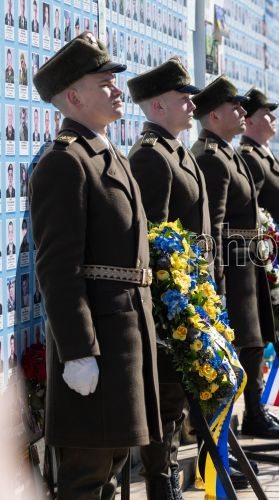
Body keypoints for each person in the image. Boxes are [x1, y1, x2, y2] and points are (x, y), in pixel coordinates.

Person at [30, 32, 162, 500]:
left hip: (127, 332)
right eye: (105, 83)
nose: (117, 90)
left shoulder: (109, 155)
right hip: (99, 340)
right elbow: (57, 266)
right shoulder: (65, 162)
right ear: (74, 97)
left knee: (111, 463)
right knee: (87, 474)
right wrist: (78, 350)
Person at [127, 57, 218, 499]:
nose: (192, 105)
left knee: (181, 392)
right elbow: (155, 240)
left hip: (192, 293)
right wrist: (172, 305)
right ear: (158, 105)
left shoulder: (176, 150)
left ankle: (180, 471)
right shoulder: (151, 157)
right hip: (170, 300)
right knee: (165, 393)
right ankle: (160, 481)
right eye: (184, 98)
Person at [191, 76, 279, 447]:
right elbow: (212, 226)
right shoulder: (211, 157)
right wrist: (216, 280)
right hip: (232, 266)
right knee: (238, 347)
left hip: (247, 265)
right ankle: (226, 436)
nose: (243, 111)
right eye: (235, 106)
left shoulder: (226, 152)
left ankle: (256, 412)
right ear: (214, 115)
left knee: (253, 342)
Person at [237, 87, 279, 438]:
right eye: (266, 114)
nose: (273, 119)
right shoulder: (249, 157)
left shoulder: (263, 153)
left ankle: (260, 406)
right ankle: (254, 410)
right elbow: (255, 214)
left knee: (267, 335)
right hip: (262, 260)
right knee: (257, 337)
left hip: (278, 256)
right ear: (249, 121)